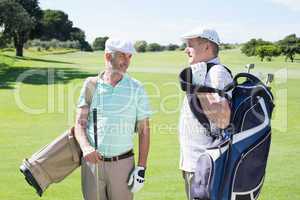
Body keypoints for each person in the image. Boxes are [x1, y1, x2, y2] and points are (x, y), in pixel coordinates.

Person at [75, 38, 151, 200]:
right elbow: (79, 123)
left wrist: (141, 168)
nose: (127, 61)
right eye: (123, 56)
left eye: (130, 56)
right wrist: (86, 147)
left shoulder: (137, 88)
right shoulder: (91, 85)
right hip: (92, 165)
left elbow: (144, 130)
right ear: (108, 57)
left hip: (123, 165)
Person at [178, 27, 233, 200]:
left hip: (207, 167)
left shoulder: (217, 72)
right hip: (196, 164)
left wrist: (198, 87)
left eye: (190, 45)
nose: (186, 49)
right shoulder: (203, 71)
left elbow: (223, 120)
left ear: (207, 47)